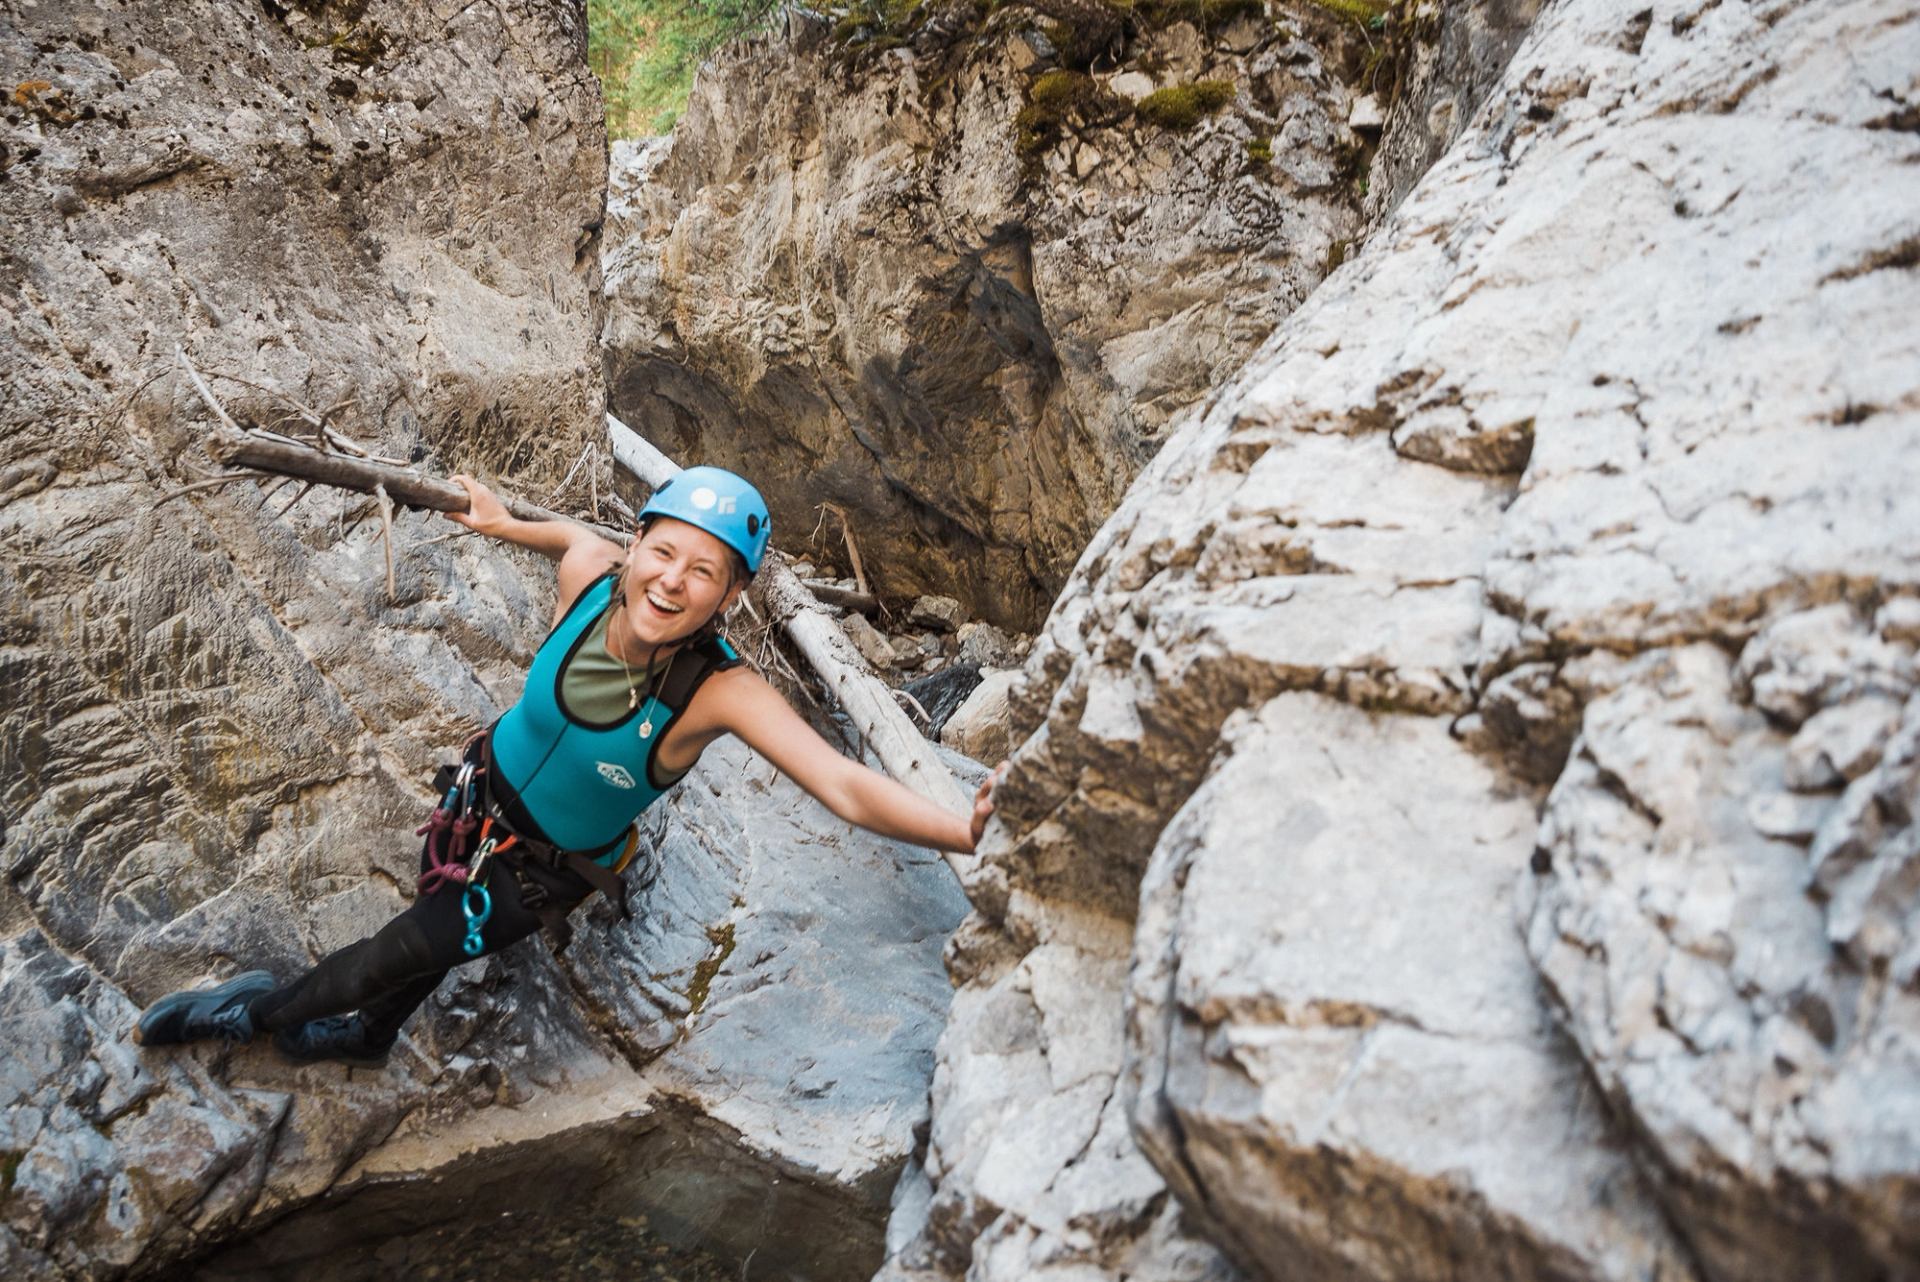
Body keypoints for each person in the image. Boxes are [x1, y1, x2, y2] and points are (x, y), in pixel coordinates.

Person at [134, 466, 999, 1066]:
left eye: (706, 571)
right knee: (427, 935)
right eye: (664, 551)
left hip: (536, 875)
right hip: (474, 802)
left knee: (387, 954)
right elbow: (568, 538)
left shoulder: (719, 692)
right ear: (636, 546)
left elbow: (845, 785)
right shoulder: (594, 577)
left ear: (732, 595)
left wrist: (961, 826)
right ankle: (370, 1038)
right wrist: (502, 519)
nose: (672, 581)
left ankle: (251, 1014)